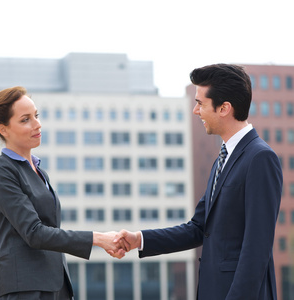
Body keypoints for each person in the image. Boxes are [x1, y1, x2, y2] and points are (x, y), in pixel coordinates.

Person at [113, 64, 283, 300]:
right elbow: (198, 229)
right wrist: (139, 240)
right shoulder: (223, 159)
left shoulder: (260, 158)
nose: (195, 110)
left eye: (200, 103)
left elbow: (257, 248)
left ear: (224, 108)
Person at [0, 87, 125, 300]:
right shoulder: (1, 170)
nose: (37, 124)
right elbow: (34, 232)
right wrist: (98, 238)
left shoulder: (39, 171)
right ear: (4, 129)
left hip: (56, 286)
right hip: (26, 290)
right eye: (25, 120)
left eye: (36, 116)